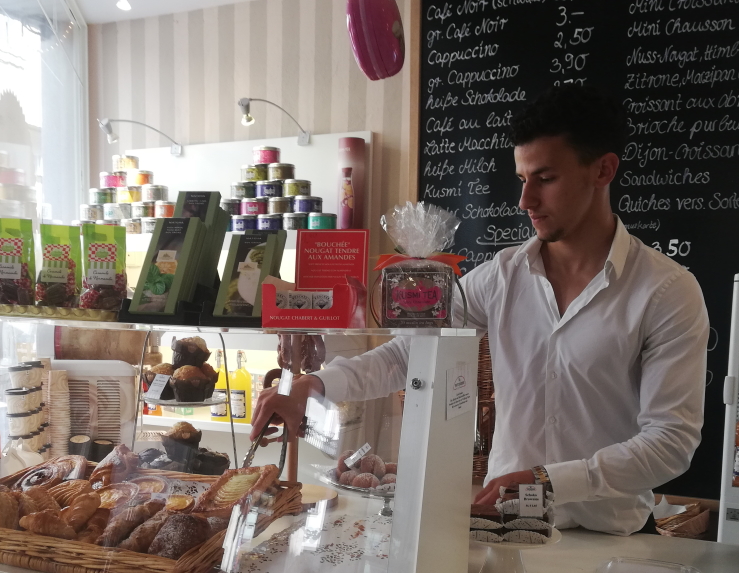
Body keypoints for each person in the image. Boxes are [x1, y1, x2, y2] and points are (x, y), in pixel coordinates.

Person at [251, 84, 709, 536]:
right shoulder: (503, 276)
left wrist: (551, 481)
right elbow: (410, 355)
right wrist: (313, 385)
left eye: (545, 179)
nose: (525, 201)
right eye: (522, 179)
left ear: (603, 170)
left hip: (611, 539)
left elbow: (671, 442)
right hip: (504, 528)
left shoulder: (666, 291)